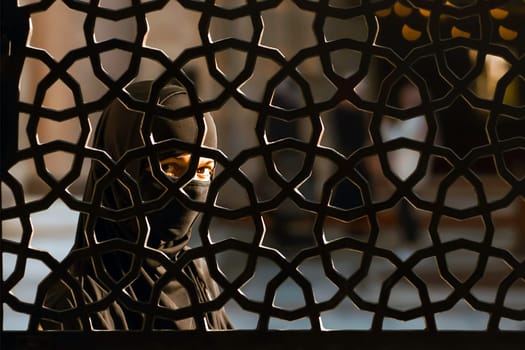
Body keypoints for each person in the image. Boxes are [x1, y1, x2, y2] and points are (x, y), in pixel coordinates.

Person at [30, 80, 232, 330]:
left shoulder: (195, 274)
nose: (190, 188)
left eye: (203, 171)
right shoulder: (76, 300)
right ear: (119, 173)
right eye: (170, 167)